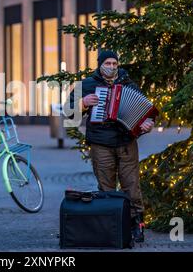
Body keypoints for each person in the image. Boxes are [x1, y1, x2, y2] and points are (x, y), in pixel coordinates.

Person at [66, 50, 154, 243]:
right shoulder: (88, 84)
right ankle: (112, 225)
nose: (112, 67)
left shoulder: (128, 83)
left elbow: (146, 110)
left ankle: (136, 224)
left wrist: (148, 124)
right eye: (108, 63)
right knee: (106, 187)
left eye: (115, 63)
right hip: (100, 143)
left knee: (132, 186)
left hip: (126, 142)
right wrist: (83, 102)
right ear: (100, 64)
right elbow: (68, 111)